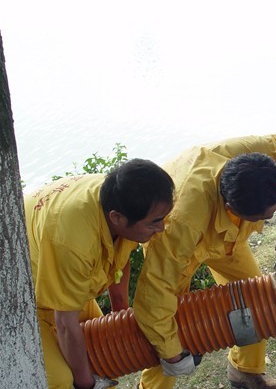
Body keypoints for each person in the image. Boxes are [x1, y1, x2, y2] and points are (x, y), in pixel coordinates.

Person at [132, 134, 276, 389]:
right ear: (232, 209)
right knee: (170, 323)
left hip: (228, 238)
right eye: (264, 217)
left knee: (257, 296)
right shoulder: (180, 226)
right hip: (181, 244)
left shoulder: (270, 154)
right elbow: (154, 295)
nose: (270, 219)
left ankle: (245, 371)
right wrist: (173, 354)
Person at [25, 159, 175, 389]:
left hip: (66, 284)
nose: (162, 228)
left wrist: (120, 310)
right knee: (65, 381)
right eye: (154, 222)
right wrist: (86, 383)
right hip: (24, 302)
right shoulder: (74, 242)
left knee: (102, 358)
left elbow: (120, 256)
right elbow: (65, 323)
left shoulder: (121, 198)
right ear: (117, 218)